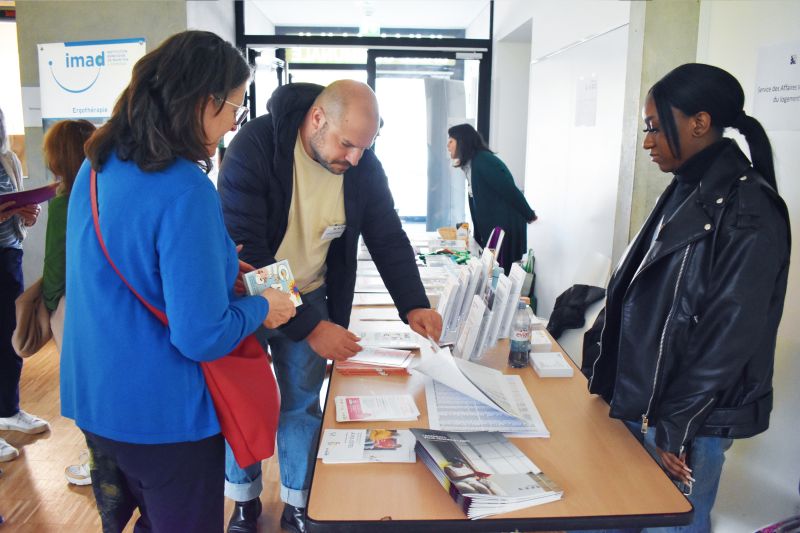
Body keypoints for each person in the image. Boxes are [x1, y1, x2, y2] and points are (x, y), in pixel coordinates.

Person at [60, 30, 296, 532]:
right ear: (205, 101)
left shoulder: (98, 164)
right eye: (235, 105)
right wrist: (264, 308)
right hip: (163, 414)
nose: (235, 121)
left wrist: (215, 267)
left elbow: (122, 267)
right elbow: (201, 335)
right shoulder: (185, 187)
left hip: (96, 396)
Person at [218, 79, 443, 533]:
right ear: (317, 119)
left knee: (302, 403)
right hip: (247, 294)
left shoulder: (361, 163)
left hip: (311, 289)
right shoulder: (255, 147)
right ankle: (244, 500)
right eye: (347, 144)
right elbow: (249, 249)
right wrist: (310, 327)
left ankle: (299, 503)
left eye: (365, 147)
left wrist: (414, 304)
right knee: (242, 401)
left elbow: (387, 235)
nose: (355, 158)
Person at [585, 63, 790, 532]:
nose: (647, 141)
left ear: (698, 123)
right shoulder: (689, 188)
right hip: (652, 406)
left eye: (655, 127)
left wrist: (676, 424)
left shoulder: (748, 206)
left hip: (689, 420)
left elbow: (731, 333)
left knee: (672, 525)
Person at [41, 118, 97, 485]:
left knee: (84, 384)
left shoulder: (65, 203)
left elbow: (54, 266)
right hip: (101, 303)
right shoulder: (102, 191)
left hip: (73, 307)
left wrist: (47, 302)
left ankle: (96, 462)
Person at [0, 106, 47, 463]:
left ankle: (9, 409)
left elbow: (17, 214)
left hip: (9, 253)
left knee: (9, 335)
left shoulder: (8, 161)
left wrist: (26, 213)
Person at [447, 123, 537, 273]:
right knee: (493, 273)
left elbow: (508, 189)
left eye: (451, 141)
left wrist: (529, 215)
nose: (448, 146)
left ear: (462, 141)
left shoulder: (483, 161)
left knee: (500, 275)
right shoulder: (471, 164)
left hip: (505, 228)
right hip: (494, 228)